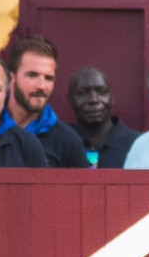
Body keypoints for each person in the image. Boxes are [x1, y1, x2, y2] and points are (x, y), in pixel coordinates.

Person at [6, 36, 90, 168]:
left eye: (48, 78)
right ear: (11, 78)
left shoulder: (68, 141)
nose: (41, 86)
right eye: (32, 75)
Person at [67, 66, 141, 168]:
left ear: (112, 97)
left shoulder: (138, 144)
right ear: (70, 100)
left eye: (101, 91)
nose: (93, 100)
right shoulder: (61, 141)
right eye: (82, 93)